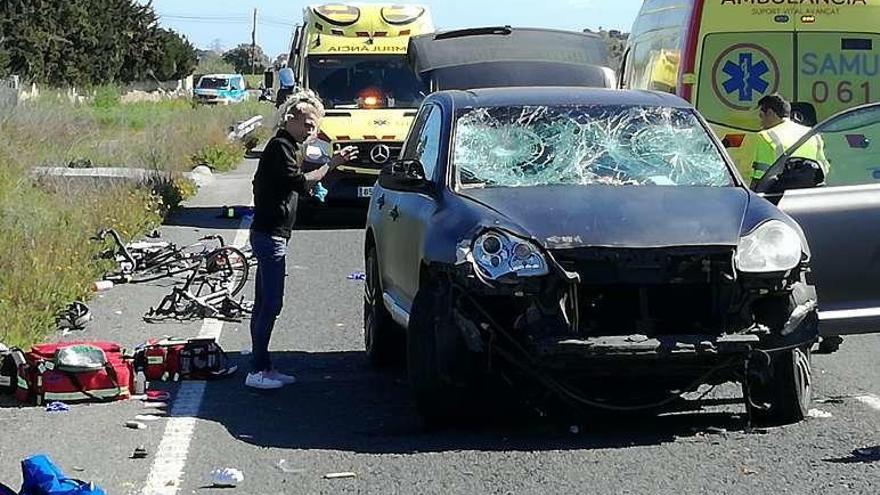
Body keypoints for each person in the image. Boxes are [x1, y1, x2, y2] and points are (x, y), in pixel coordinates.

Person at [246, 89, 357, 389]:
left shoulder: (289, 146)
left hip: (271, 233)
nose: (311, 130)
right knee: (270, 304)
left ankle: (262, 364)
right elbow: (301, 180)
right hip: (270, 235)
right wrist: (331, 165)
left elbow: (294, 186)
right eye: (307, 124)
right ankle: (257, 370)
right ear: (290, 118)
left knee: (263, 303)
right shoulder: (281, 146)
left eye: (315, 125)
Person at [749, 93, 827, 187]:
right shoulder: (812, 134)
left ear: (770, 113)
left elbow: (759, 178)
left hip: (780, 195)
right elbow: (824, 168)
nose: (761, 122)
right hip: (810, 194)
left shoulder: (766, 136)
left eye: (761, 116)